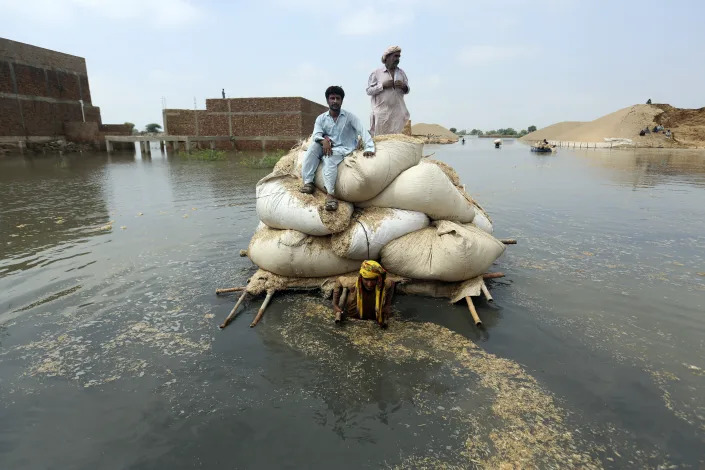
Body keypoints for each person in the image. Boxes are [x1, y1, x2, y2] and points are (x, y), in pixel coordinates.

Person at [300, 86, 375, 211]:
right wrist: (324, 141)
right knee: (313, 147)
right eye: (332, 98)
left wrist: (369, 148)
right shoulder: (321, 118)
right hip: (326, 145)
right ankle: (308, 182)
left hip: (344, 149)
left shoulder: (350, 117)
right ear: (328, 100)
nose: (335, 101)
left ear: (341, 101)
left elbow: (363, 131)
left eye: (337, 98)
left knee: (328, 158)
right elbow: (316, 134)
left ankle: (330, 195)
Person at [332, 260, 395, 328]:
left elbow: (392, 284)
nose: (369, 284)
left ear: (378, 279)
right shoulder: (352, 283)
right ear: (361, 278)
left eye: (373, 280)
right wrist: (335, 305)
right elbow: (339, 280)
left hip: (373, 317)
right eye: (366, 280)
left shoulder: (382, 284)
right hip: (353, 317)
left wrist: (387, 305)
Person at [366, 46, 410, 136]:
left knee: (398, 141)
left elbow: (407, 90)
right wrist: (382, 86)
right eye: (395, 56)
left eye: (399, 57)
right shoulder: (376, 73)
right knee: (381, 141)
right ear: (387, 57)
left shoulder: (401, 73)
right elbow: (369, 91)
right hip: (382, 114)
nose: (397, 59)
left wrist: (404, 87)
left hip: (398, 113)